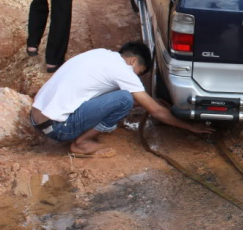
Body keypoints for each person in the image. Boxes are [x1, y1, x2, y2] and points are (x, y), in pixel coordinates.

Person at [29, 41, 213, 158]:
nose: (136, 78)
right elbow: (155, 112)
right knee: (124, 98)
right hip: (58, 129)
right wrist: (189, 126)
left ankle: (78, 136)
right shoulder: (123, 70)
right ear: (133, 61)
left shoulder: (100, 53)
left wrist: (150, 101)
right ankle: (81, 144)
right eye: (139, 73)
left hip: (37, 118)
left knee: (124, 97)